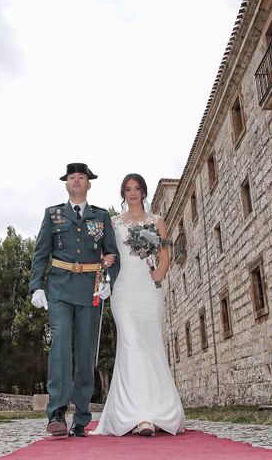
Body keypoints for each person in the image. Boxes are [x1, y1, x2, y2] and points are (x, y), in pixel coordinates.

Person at [30, 162, 119, 438]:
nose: (77, 180)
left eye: (82, 177)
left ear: (89, 184)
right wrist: (36, 287)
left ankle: (81, 415)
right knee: (59, 347)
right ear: (66, 183)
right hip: (58, 288)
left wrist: (109, 284)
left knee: (85, 352)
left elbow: (113, 254)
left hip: (91, 290)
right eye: (72, 177)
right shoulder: (53, 214)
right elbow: (40, 253)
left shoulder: (101, 217)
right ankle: (56, 413)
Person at [92, 173, 185, 437]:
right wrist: (105, 261)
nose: (132, 193)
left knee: (150, 344)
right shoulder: (113, 222)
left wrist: (161, 272)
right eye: (127, 189)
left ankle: (159, 410)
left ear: (143, 192)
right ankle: (139, 415)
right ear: (123, 193)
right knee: (131, 344)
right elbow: (104, 252)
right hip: (123, 290)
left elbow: (165, 252)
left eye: (136, 188)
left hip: (148, 289)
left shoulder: (158, 222)